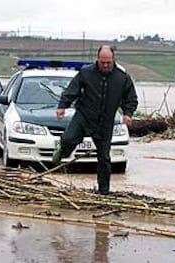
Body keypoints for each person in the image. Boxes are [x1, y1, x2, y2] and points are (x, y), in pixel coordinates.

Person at [52, 45, 138, 195]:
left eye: (108, 63)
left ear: (113, 60)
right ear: (97, 59)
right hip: (84, 117)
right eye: (102, 62)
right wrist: (62, 106)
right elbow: (72, 90)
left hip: (105, 123)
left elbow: (130, 99)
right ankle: (63, 151)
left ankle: (103, 191)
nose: (105, 65)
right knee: (68, 138)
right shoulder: (86, 73)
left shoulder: (122, 78)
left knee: (104, 158)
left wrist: (128, 113)